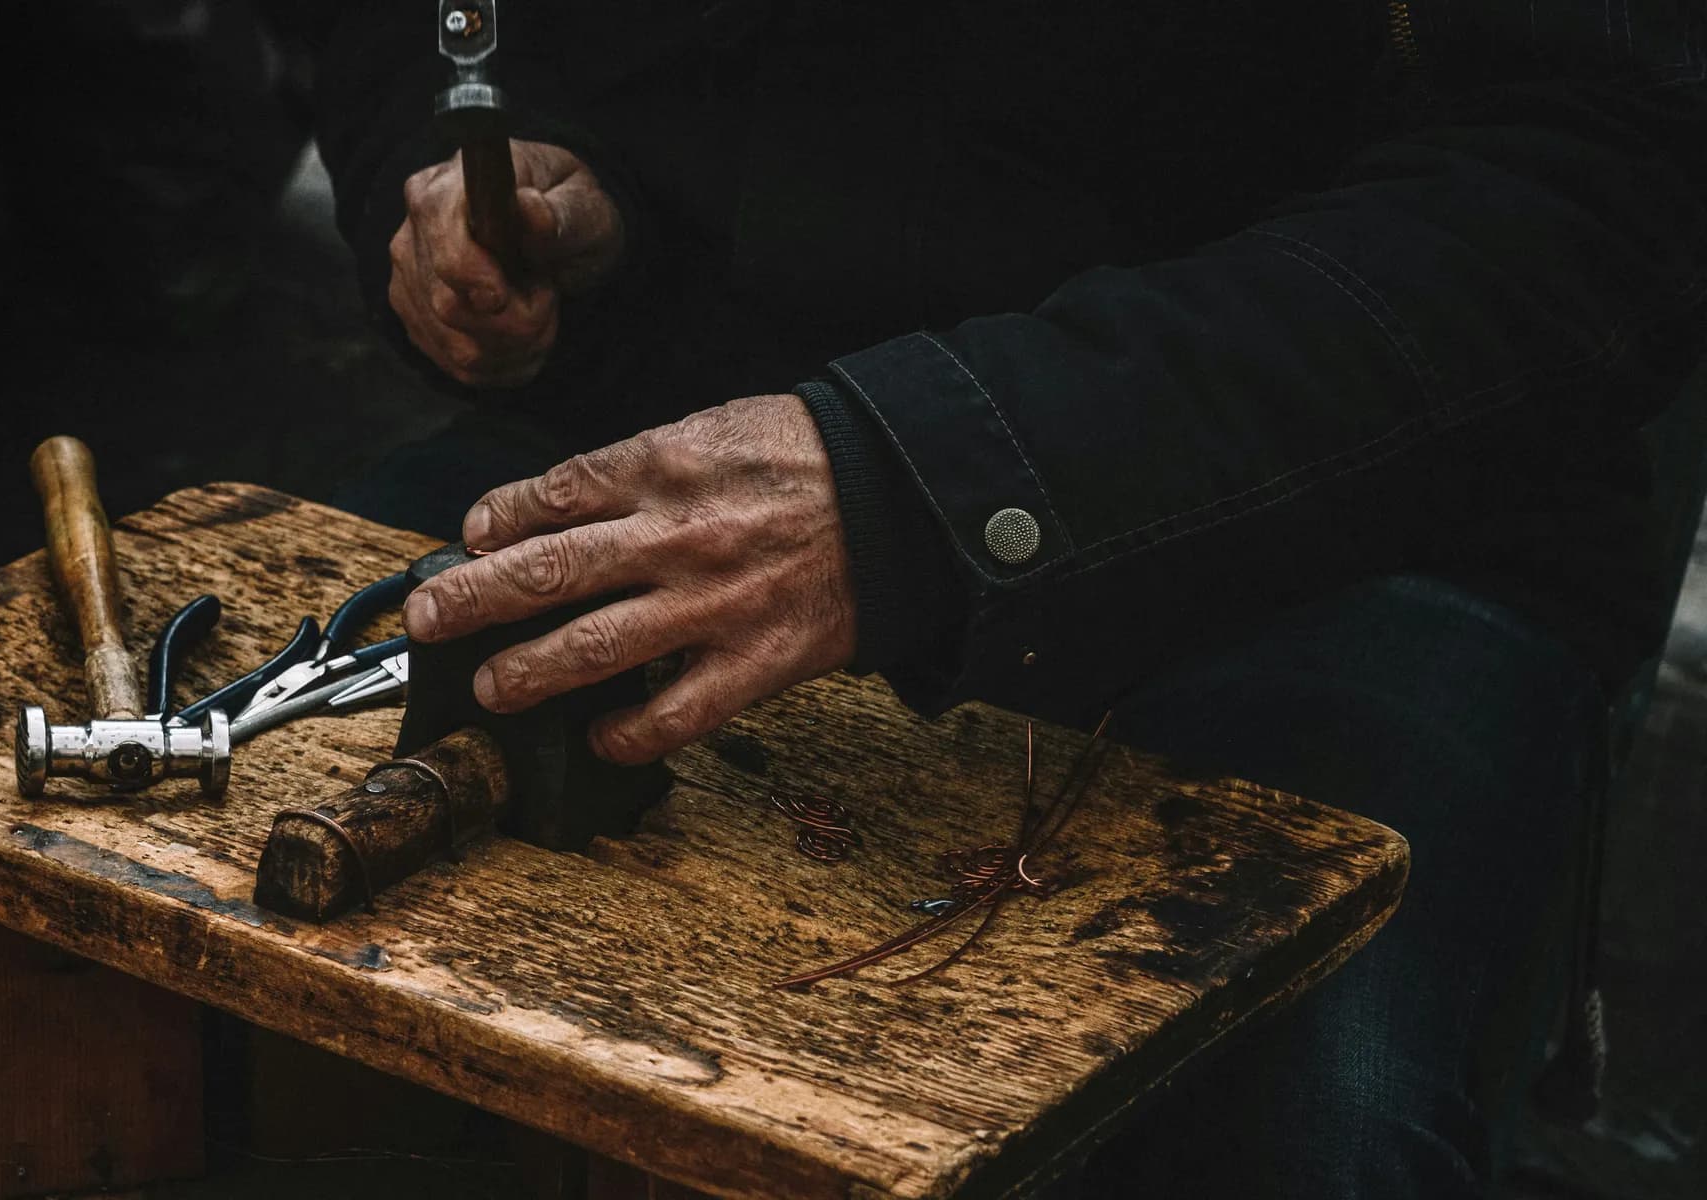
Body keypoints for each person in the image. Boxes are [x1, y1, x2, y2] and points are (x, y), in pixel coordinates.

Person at [313, 3, 1706, 1196]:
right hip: (684, 414)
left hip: (1331, 509)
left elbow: (1592, 188)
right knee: (241, 922)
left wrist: (934, 476)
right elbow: (427, 27)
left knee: (1284, 1115)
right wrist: (485, 147)